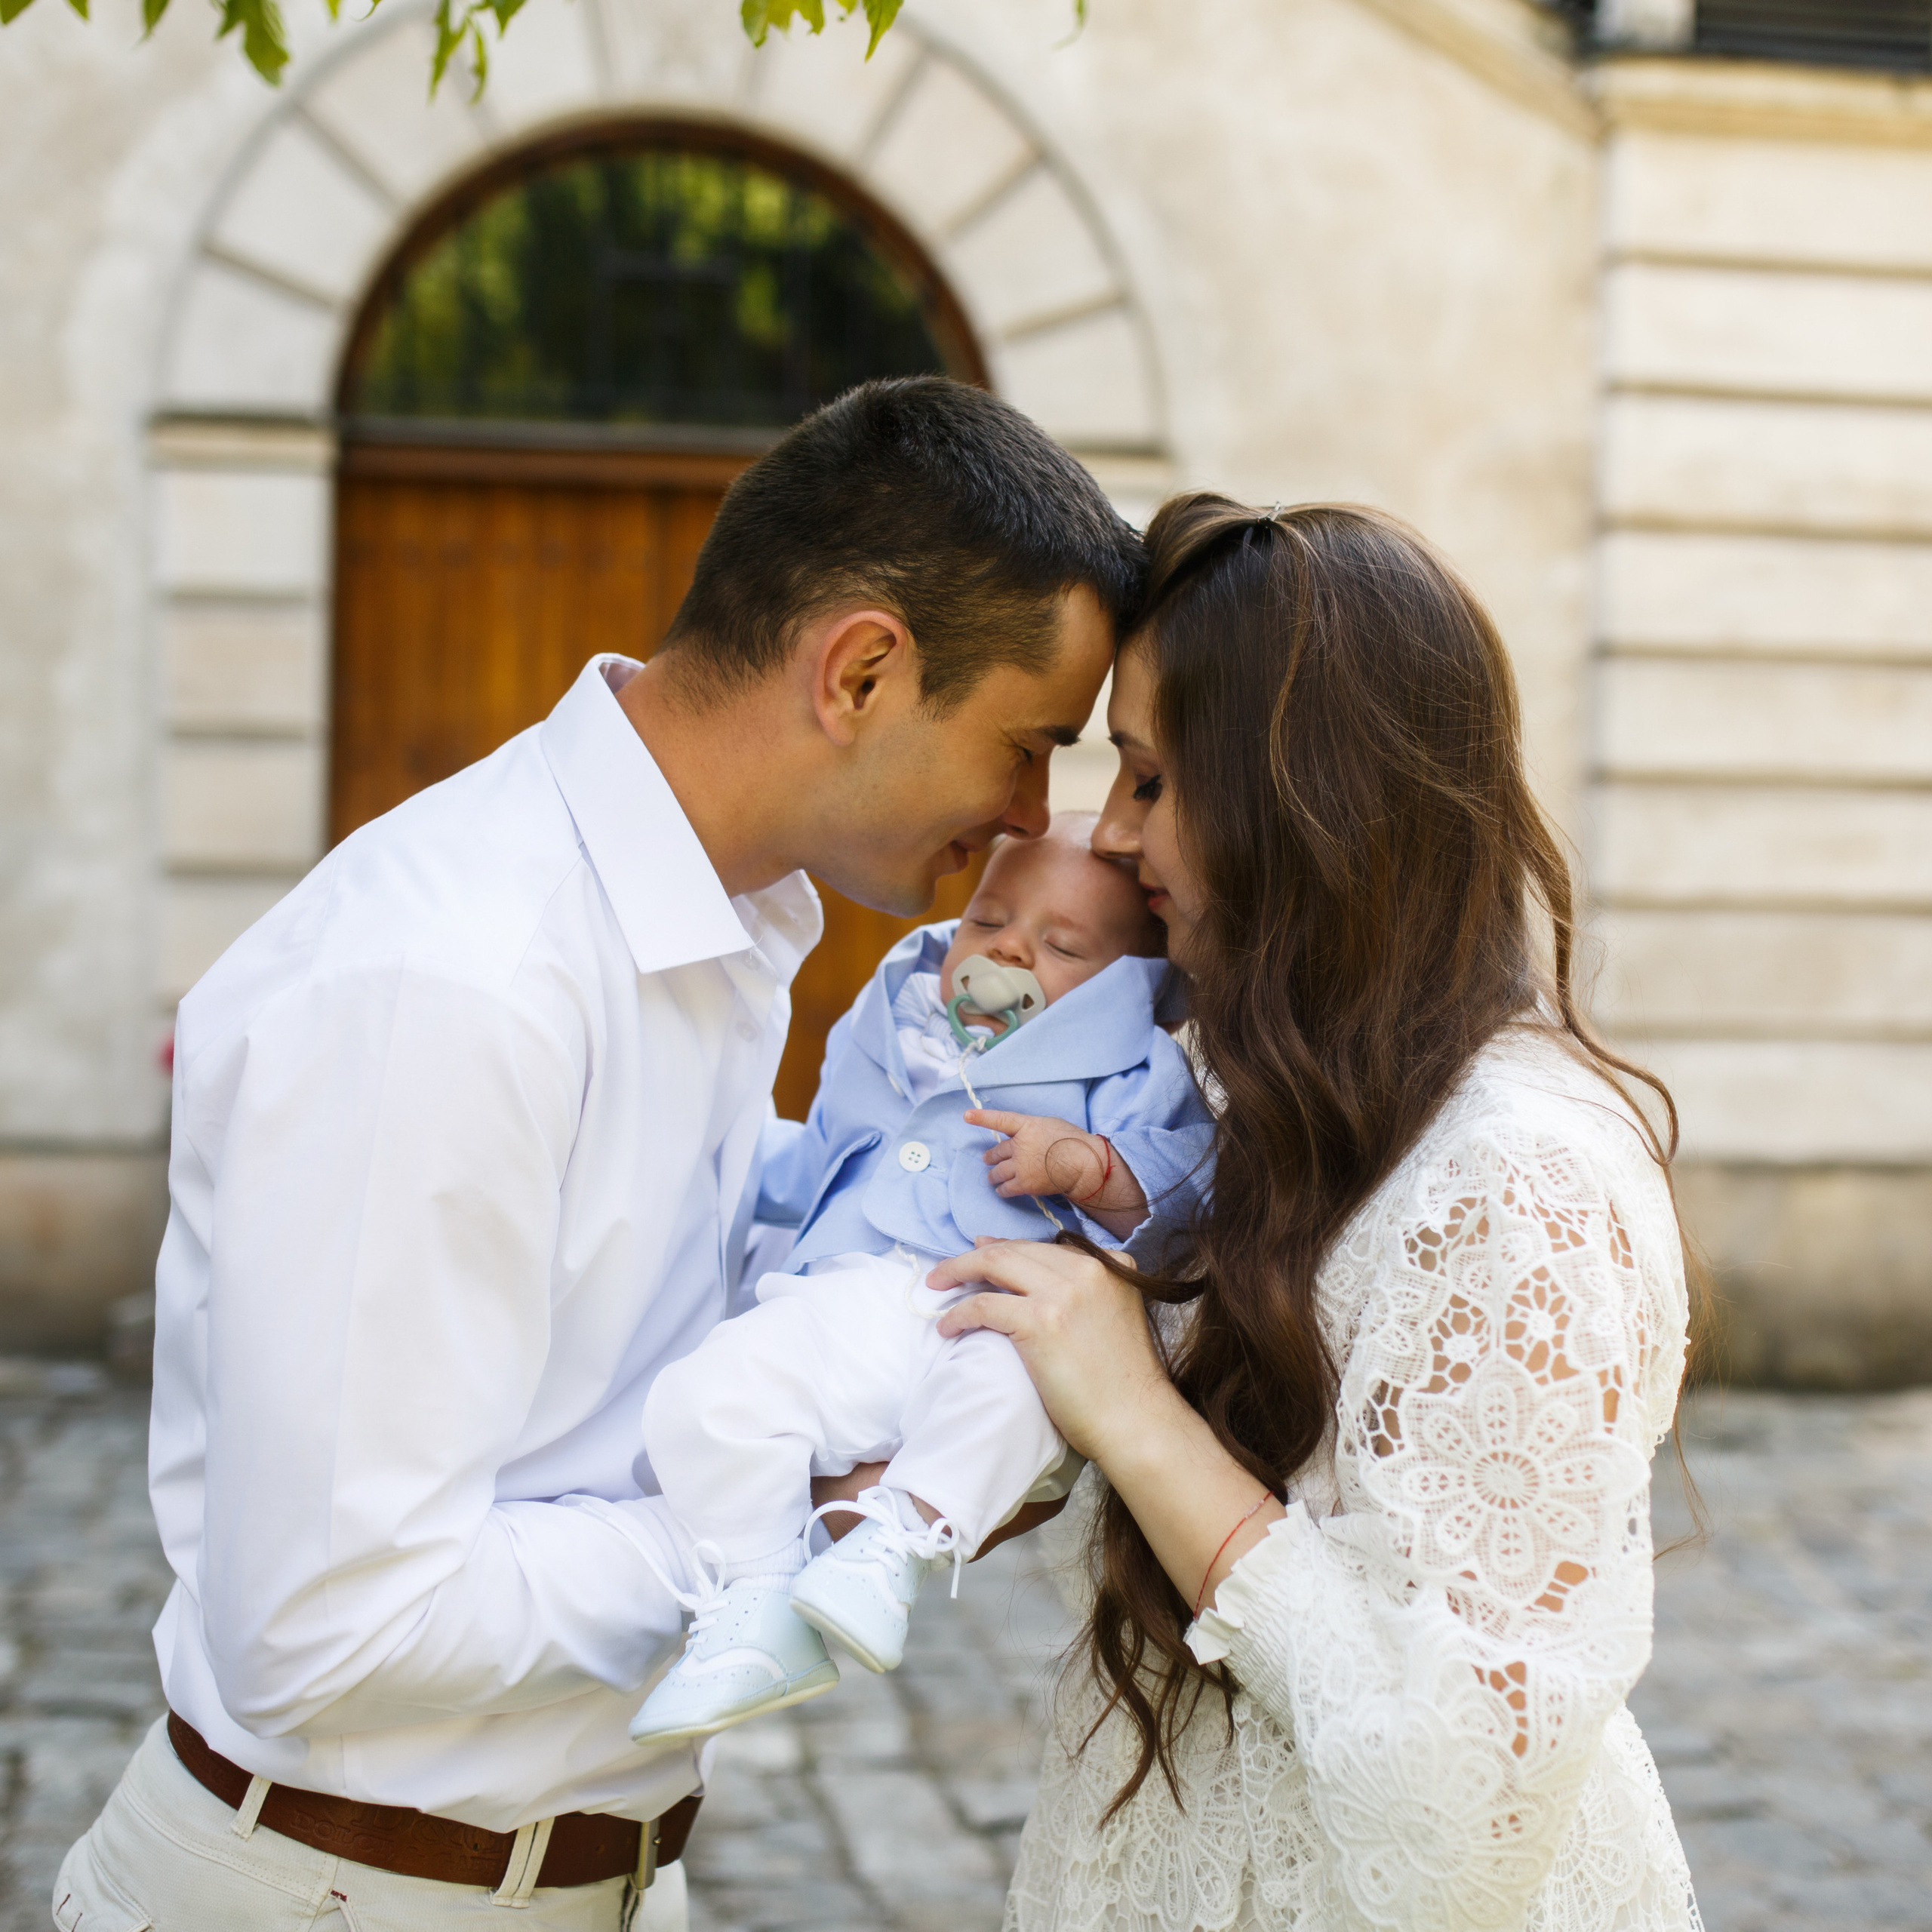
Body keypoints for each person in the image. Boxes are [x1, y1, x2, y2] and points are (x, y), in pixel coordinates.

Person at [53, 378, 1143, 1932]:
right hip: (332, 1893)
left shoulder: (722, 932)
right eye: (1026, 743)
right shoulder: (453, 980)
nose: (1039, 813)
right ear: (861, 670)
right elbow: (320, 1623)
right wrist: (811, 1514)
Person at [930, 497, 1704, 1931]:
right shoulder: (1248, 1084)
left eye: (1153, 782)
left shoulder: (1516, 1180)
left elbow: (1465, 1818)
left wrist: (1137, 1417)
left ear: (1311, 800)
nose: (1107, 833)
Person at [631, 813, 1215, 1745]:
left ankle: (894, 1546)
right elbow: (830, 1153)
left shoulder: (1134, 1065)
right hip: (854, 1296)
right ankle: (754, 1597)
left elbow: (1195, 1188)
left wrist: (1092, 1168)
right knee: (708, 1396)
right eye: (987, 920)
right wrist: (717, 1168)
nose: (1011, 948)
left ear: (1125, 987)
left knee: (1014, 1396)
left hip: (997, 1309)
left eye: (1063, 945)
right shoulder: (894, 1017)